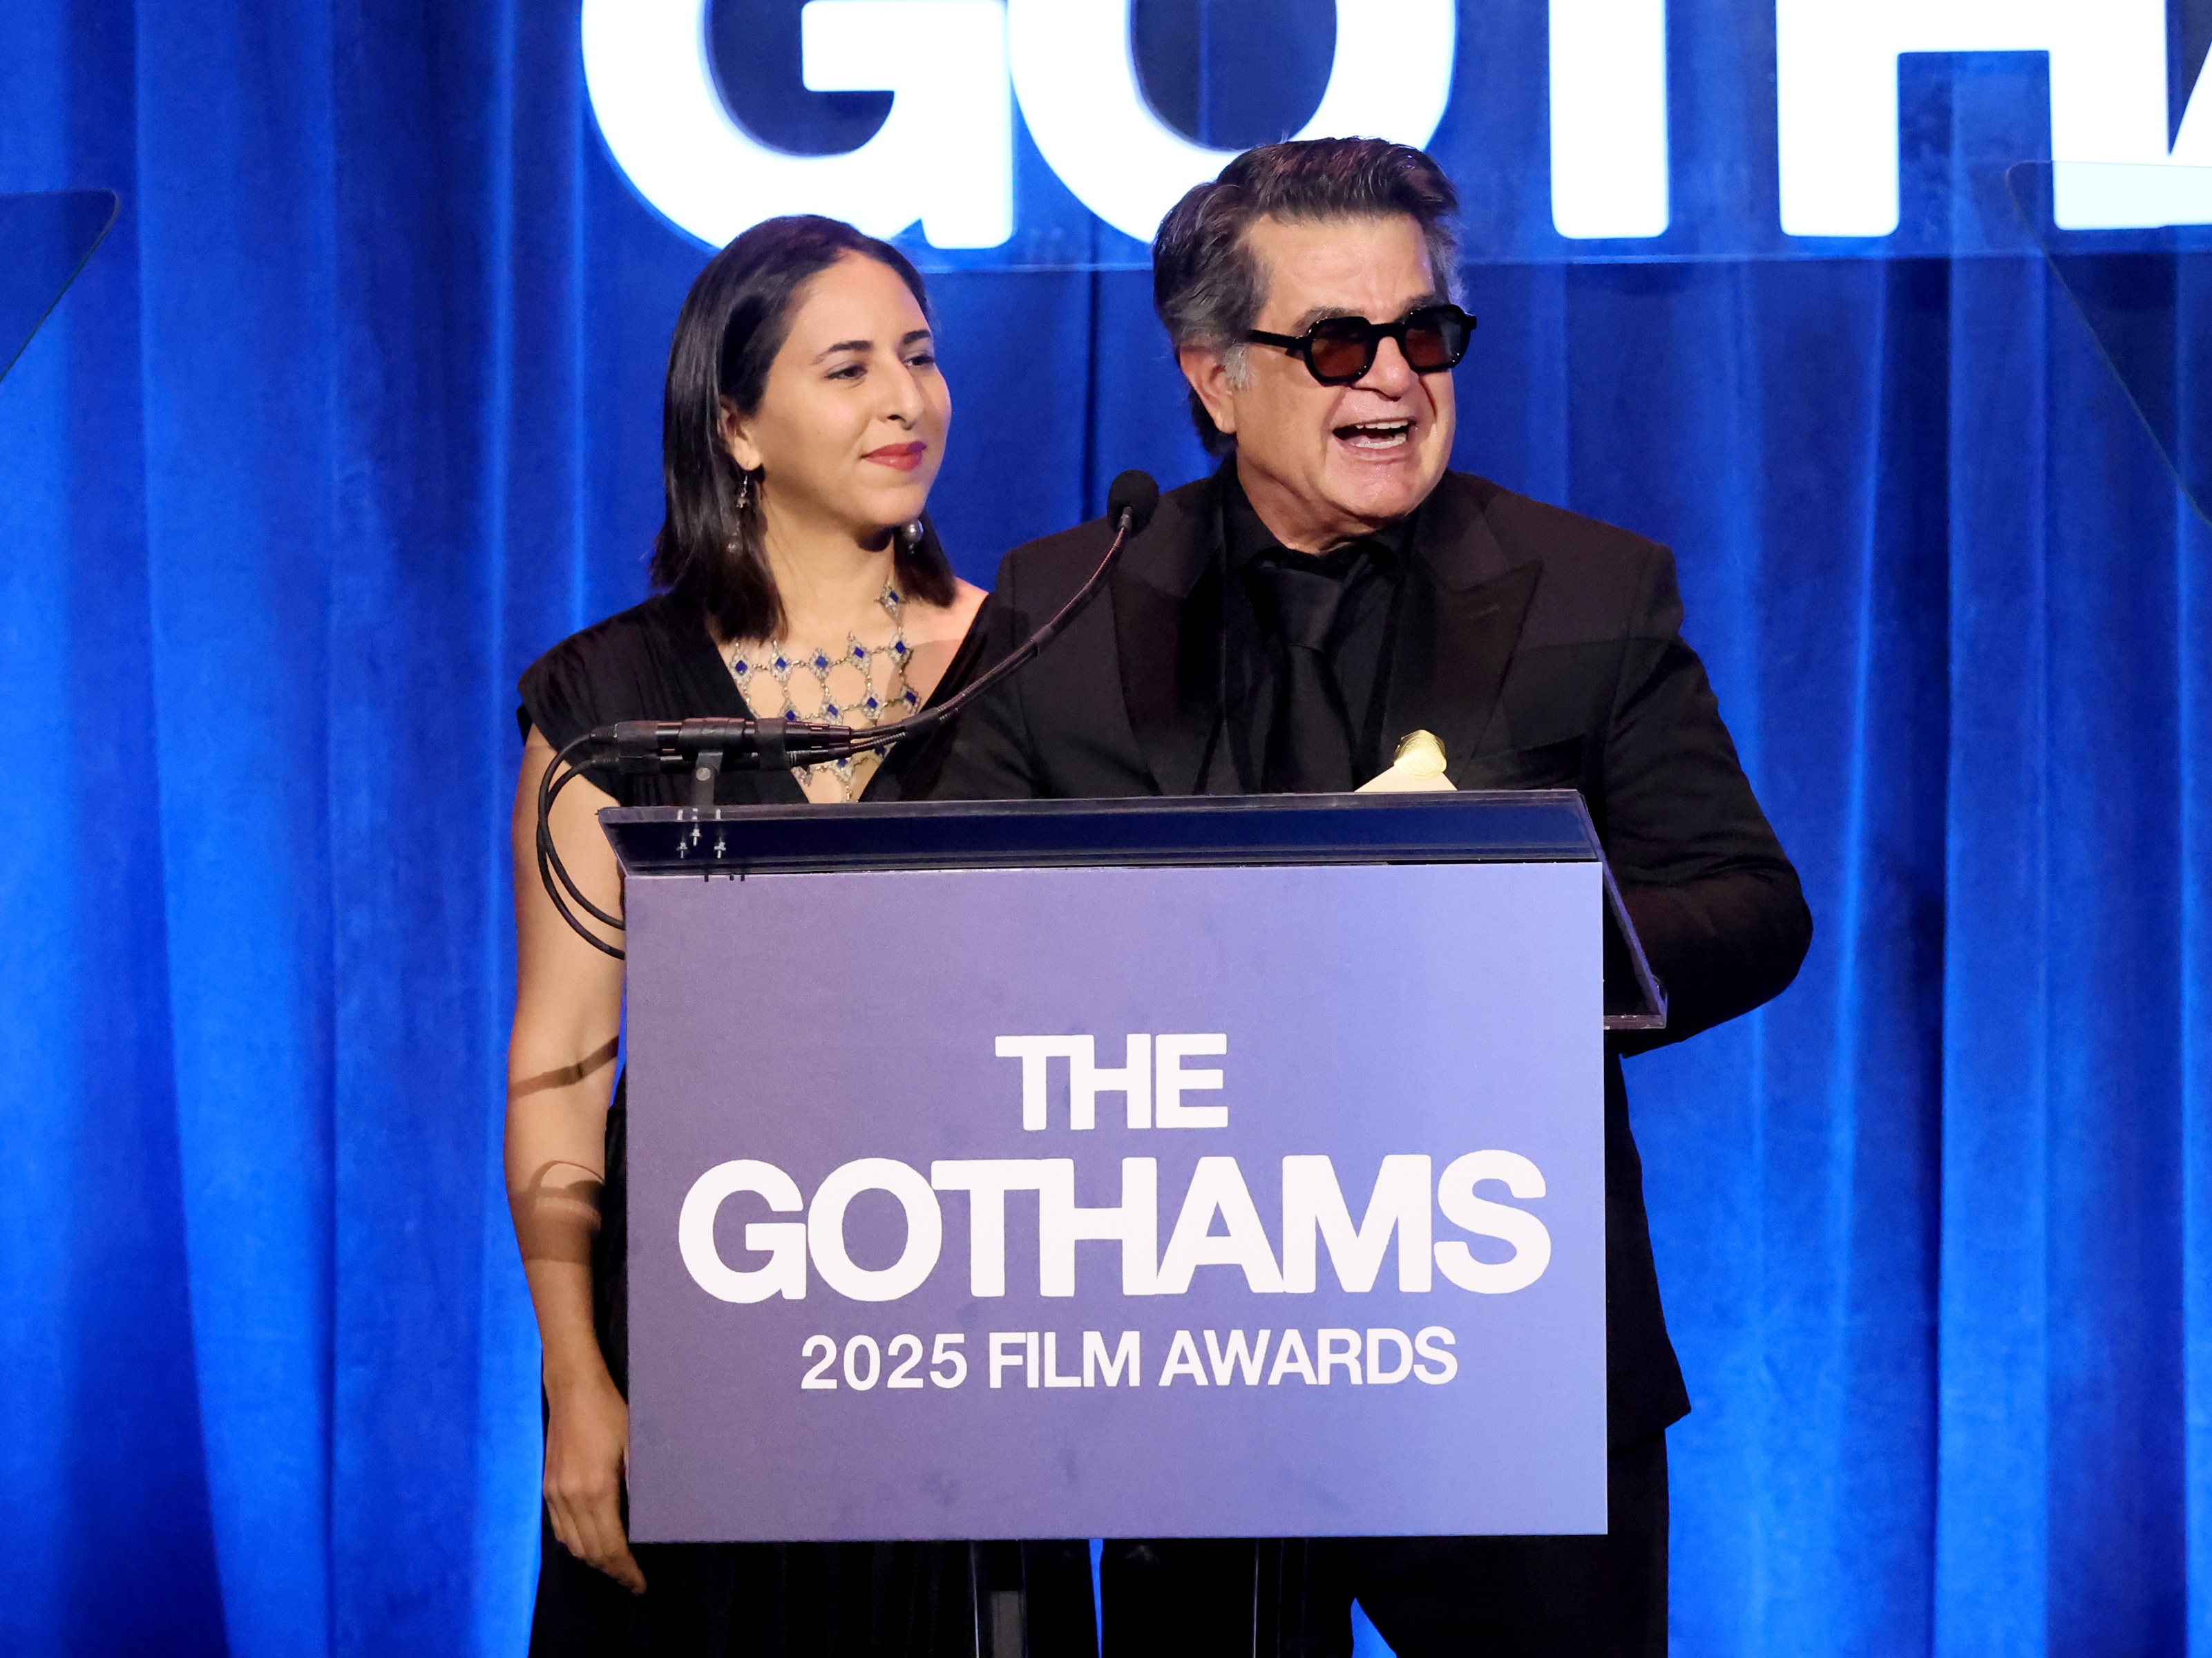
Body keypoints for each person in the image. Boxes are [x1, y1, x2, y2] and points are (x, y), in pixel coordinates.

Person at [924, 140, 1813, 1656]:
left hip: (1506, 1352)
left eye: (1425, 335)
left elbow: (1746, 901)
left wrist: (1507, 937)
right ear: (1212, 379)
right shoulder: (1067, 604)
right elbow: (923, 931)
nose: (1389, 378)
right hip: (1174, 1357)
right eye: (1335, 342)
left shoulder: (1585, 589)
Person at [506, 215, 1091, 1656]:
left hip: (971, 1345)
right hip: (704, 1338)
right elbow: (565, 1060)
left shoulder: (1040, 660)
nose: (907, 402)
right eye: (848, 369)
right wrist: (578, 1386)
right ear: (739, 426)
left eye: (921, 358)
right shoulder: (610, 697)